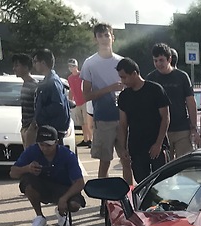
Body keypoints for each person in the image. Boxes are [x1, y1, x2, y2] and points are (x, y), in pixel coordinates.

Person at [9, 125, 85, 226]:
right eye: (42, 145)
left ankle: (62, 212)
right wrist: (27, 168)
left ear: (56, 142)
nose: (45, 148)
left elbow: (79, 182)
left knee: (75, 205)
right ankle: (39, 216)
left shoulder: (67, 155)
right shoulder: (32, 151)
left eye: (48, 145)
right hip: (42, 186)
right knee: (27, 180)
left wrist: (64, 198)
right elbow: (13, 172)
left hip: (63, 188)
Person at [80, 23, 126, 181]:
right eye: (100, 36)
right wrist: (109, 88)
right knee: (105, 162)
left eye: (107, 35)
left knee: (127, 160)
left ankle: (131, 197)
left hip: (123, 119)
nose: (104, 39)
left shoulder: (122, 62)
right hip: (103, 118)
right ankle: (104, 200)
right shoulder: (90, 63)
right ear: (95, 39)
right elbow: (86, 95)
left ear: (113, 37)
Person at [116, 57, 169, 182]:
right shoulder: (124, 96)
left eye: (124, 77)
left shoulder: (156, 90)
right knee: (141, 182)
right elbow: (123, 124)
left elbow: (165, 118)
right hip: (136, 147)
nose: (122, 81)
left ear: (134, 73)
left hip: (156, 146)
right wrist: (122, 148)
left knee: (160, 183)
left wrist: (158, 144)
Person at [147, 42, 198, 159]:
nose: (158, 64)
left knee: (184, 166)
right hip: (160, 132)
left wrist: (193, 127)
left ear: (169, 59)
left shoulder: (182, 76)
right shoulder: (151, 78)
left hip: (182, 129)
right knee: (165, 169)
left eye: (161, 60)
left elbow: (191, 102)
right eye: (155, 61)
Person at [32, 49, 71, 139]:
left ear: (43, 63)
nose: (34, 65)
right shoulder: (48, 80)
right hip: (49, 128)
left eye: (35, 61)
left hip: (53, 130)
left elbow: (58, 105)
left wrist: (41, 113)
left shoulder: (52, 81)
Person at [13, 53, 39, 147]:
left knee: (32, 158)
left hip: (32, 129)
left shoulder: (35, 86)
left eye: (17, 65)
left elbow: (39, 108)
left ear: (26, 67)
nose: (14, 69)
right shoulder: (25, 84)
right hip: (25, 127)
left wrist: (32, 128)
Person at [67, 58, 93, 148]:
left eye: (73, 66)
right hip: (77, 102)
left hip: (85, 101)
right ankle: (85, 139)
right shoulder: (70, 78)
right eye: (70, 66)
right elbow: (70, 90)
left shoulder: (82, 75)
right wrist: (70, 101)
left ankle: (90, 139)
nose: (71, 68)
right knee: (81, 122)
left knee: (87, 122)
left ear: (77, 66)